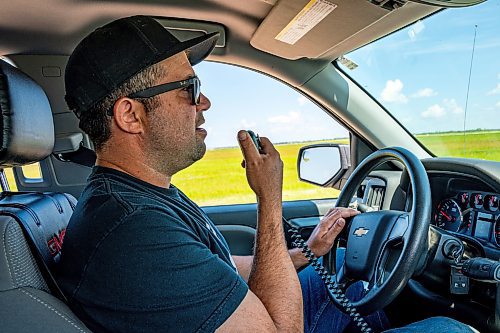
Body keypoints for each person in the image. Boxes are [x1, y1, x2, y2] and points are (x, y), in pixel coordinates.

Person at [58, 15, 475, 333]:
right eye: (190, 88)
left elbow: (215, 267)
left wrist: (306, 251)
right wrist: (268, 198)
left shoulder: (139, 194)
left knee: (347, 266)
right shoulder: (135, 229)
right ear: (131, 114)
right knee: (452, 329)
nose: (204, 104)